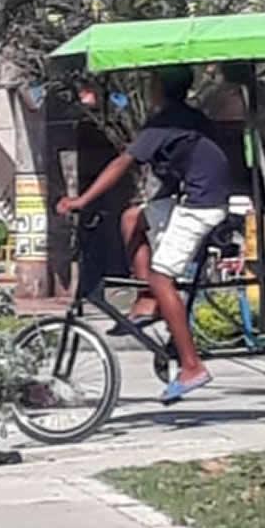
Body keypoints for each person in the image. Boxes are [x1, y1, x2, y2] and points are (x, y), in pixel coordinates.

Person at [56, 66, 230, 403]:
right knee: (132, 218)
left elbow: (123, 163)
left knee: (162, 276)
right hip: (189, 198)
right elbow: (181, 163)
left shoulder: (166, 122)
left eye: (151, 83)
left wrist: (82, 200)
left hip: (202, 205)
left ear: (159, 89)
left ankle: (192, 366)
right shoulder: (185, 117)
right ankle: (148, 301)